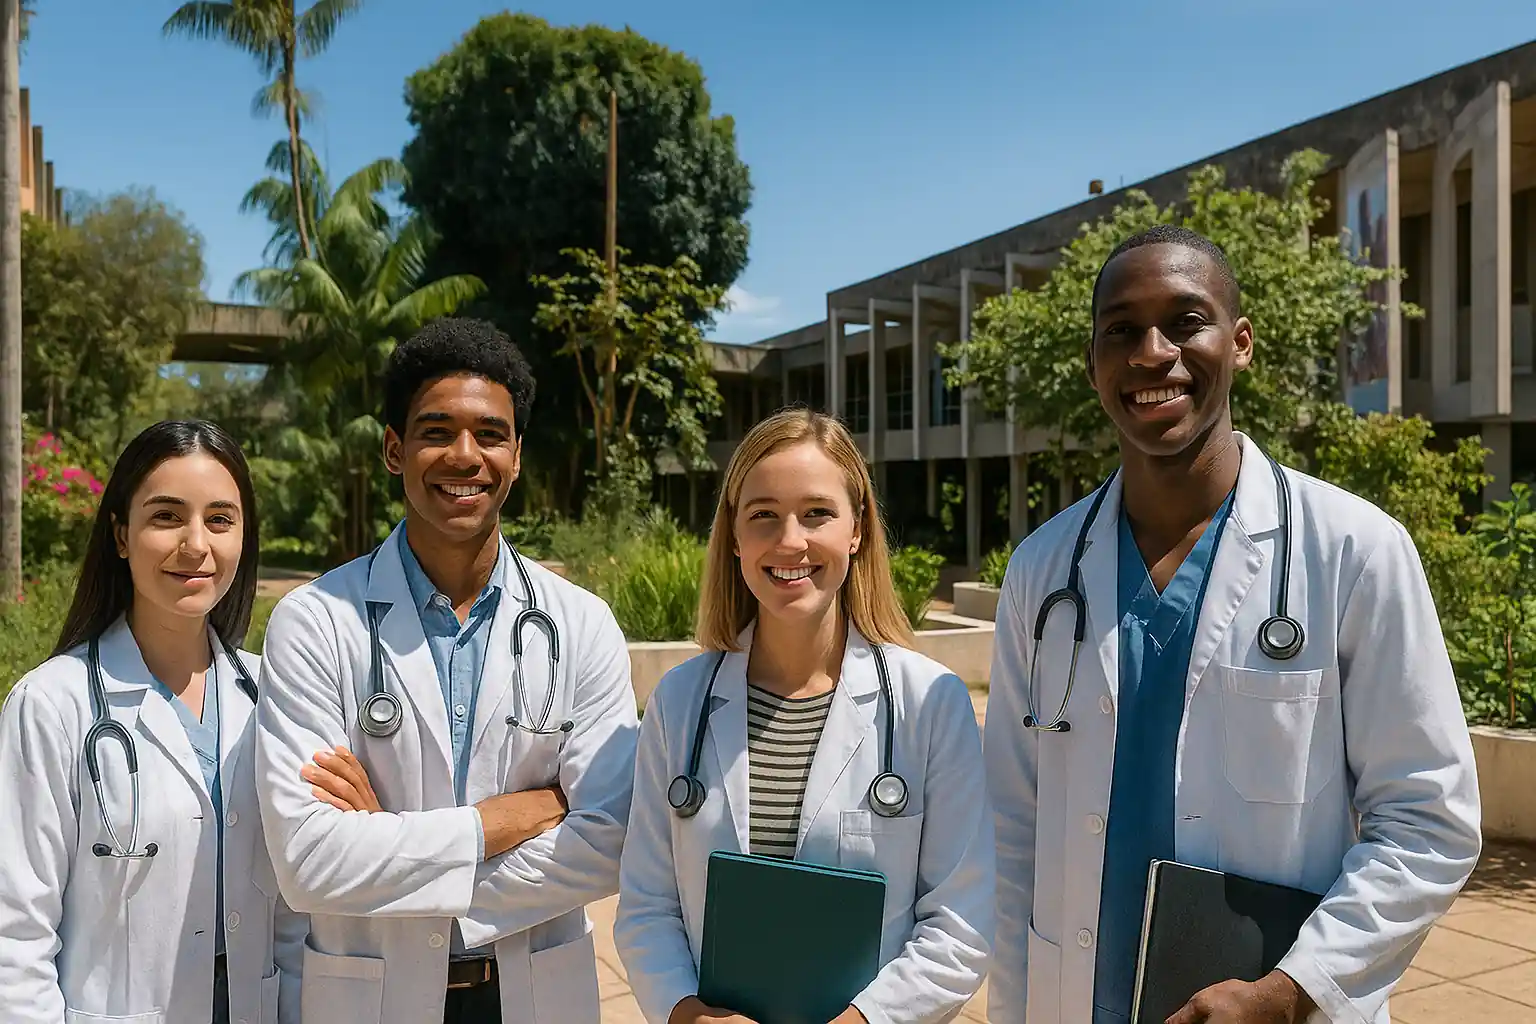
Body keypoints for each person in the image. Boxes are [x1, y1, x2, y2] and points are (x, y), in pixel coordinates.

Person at [984, 224, 1482, 1024]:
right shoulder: (1042, 572)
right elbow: (1011, 833)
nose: (1152, 354)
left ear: (1240, 343)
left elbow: (1429, 820)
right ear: (1092, 362)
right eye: (1121, 330)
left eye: (1186, 322)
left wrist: (1292, 991)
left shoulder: (1353, 550)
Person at [253, 317, 640, 1024]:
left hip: (534, 995)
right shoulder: (315, 622)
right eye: (436, 432)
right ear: (394, 450)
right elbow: (308, 861)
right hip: (373, 1000)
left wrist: (391, 850)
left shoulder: (581, 625)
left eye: (490, 434)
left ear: (516, 456)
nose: (465, 456)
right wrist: (506, 819)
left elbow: (609, 841)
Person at [615, 408, 995, 1024]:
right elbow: (647, 906)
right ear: (735, 538)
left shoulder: (930, 702)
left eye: (817, 512)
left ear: (857, 530)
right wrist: (686, 1013)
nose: (790, 541)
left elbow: (961, 923)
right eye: (763, 515)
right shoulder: (679, 703)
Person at [0, 419, 306, 1024]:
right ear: (121, 534)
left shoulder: (274, 694)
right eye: (167, 516)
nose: (196, 544)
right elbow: (15, 932)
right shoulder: (51, 704)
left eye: (220, 520)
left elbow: (296, 913)